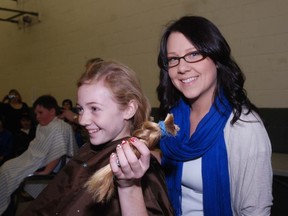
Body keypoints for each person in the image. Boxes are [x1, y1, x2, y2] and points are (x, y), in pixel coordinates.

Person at [111, 16, 273, 216]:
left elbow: (255, 210)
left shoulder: (243, 126)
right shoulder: (175, 118)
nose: (182, 67)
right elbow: (178, 160)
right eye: (173, 59)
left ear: (217, 58)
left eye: (194, 54)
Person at [21, 60, 174, 216]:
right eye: (80, 109)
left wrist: (129, 187)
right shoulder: (90, 149)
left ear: (128, 109)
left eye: (94, 108)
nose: (82, 120)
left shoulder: (136, 166)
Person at [0, 95, 78, 215]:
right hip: (39, 161)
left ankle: (7, 210)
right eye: (36, 113)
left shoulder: (59, 127)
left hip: (52, 166)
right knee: (6, 168)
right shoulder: (42, 126)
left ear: (52, 111)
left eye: (41, 112)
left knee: (8, 171)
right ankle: (7, 206)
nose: (37, 117)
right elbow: (37, 149)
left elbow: (58, 152)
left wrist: (46, 171)